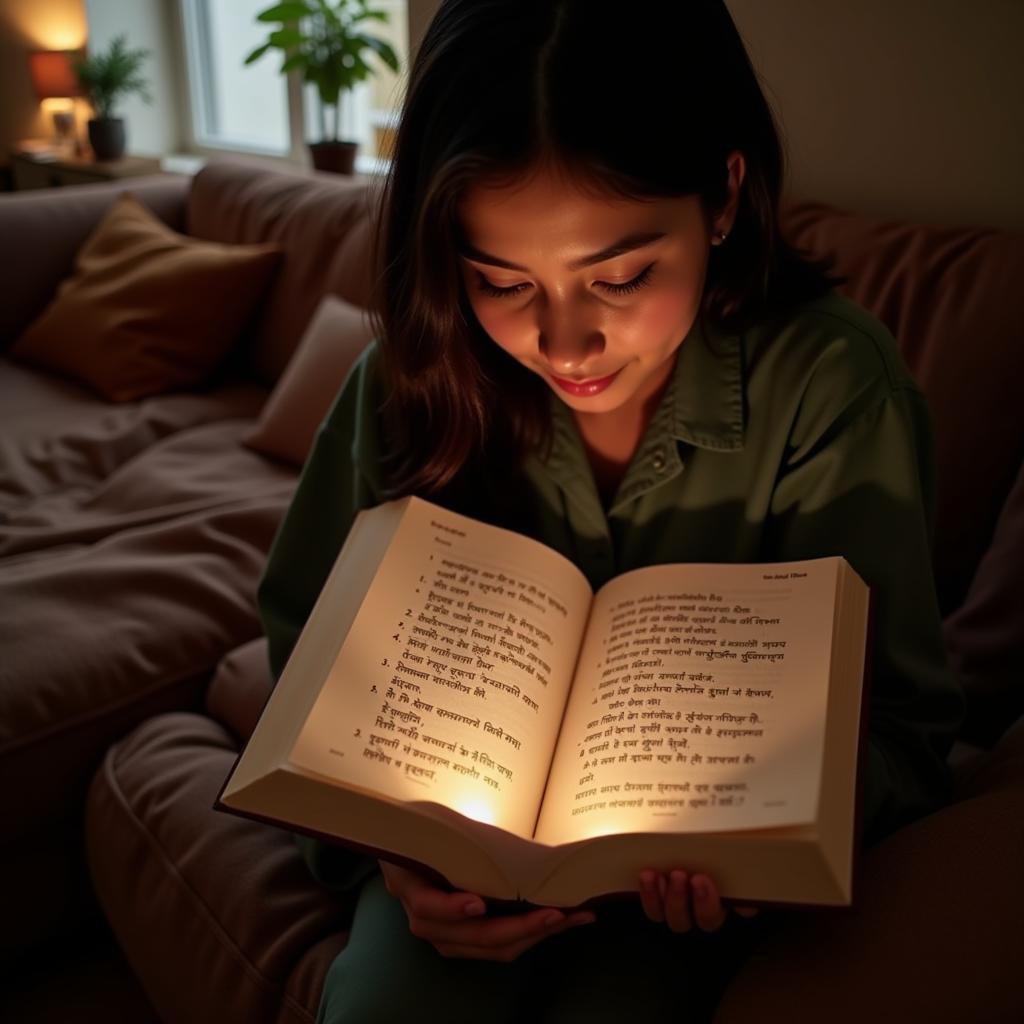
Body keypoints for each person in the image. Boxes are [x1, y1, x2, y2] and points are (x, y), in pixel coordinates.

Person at [256, 0, 965, 1019]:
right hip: (454, 877)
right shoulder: (410, 379)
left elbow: (902, 727)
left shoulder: (829, 384)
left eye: (622, 275)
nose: (566, 343)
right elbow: (307, 666)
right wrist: (391, 855)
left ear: (722, 198)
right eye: (501, 280)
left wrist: (756, 845)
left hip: (689, 904)